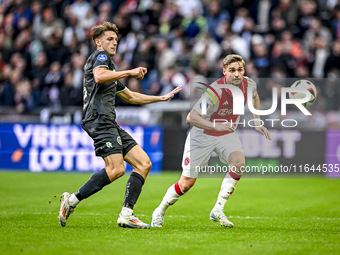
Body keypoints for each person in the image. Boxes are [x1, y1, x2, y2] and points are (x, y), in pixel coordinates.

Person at [58, 21, 182, 229]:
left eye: (116, 39)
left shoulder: (110, 69)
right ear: (98, 43)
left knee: (143, 163)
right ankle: (71, 201)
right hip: (98, 119)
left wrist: (160, 98)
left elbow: (131, 96)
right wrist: (130, 72)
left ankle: (127, 213)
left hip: (108, 121)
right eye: (109, 39)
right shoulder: (101, 58)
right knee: (116, 169)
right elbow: (99, 76)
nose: (114, 42)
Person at [151, 54, 271, 228]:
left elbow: (255, 96)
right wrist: (216, 126)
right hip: (202, 135)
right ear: (224, 72)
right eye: (232, 71)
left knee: (239, 162)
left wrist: (258, 121)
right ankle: (159, 211)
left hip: (225, 133)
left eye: (239, 70)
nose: (237, 74)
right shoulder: (215, 92)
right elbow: (191, 117)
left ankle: (218, 209)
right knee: (186, 183)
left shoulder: (249, 84)